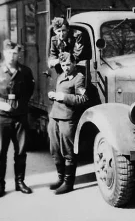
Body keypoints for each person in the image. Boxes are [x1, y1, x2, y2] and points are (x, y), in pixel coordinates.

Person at [48, 52, 88, 195]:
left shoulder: (79, 78)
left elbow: (83, 99)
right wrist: (53, 95)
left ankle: (68, 183)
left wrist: (63, 97)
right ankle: (60, 179)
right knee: (55, 150)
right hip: (55, 117)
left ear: (74, 63)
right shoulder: (61, 76)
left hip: (67, 118)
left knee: (68, 152)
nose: (65, 67)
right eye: (63, 65)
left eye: (68, 64)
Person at [0, 39, 35, 197]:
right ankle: (0, 184)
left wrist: (20, 106)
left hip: (20, 117)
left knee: (21, 152)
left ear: (18, 54)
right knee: (1, 152)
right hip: (2, 118)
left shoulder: (25, 72)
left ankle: (20, 182)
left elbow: (29, 91)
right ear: (3, 53)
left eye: (15, 53)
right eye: (9, 53)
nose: (12, 56)